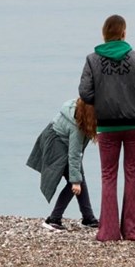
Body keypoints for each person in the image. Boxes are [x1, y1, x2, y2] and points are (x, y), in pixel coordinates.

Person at [78, 14, 135, 242]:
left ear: (104, 34)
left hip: (107, 126)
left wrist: (102, 100)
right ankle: (132, 231)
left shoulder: (92, 60)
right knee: (132, 175)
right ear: (123, 33)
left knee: (108, 176)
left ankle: (108, 232)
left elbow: (85, 92)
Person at [26, 98, 100, 231]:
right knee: (74, 182)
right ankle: (53, 219)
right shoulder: (77, 128)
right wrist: (75, 181)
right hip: (57, 144)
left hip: (55, 136)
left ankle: (88, 218)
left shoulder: (78, 107)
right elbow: (74, 154)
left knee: (78, 177)